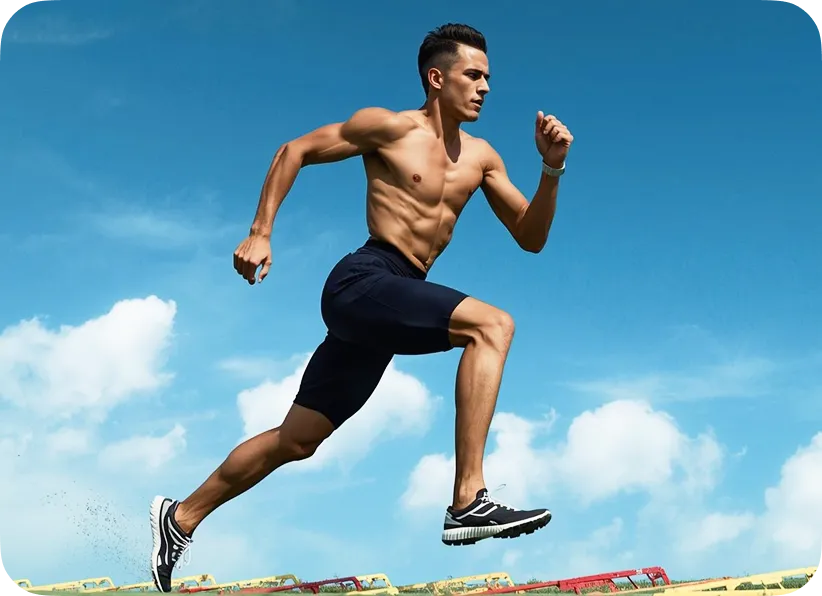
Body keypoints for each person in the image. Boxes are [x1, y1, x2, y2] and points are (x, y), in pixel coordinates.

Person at [149, 22, 573, 592]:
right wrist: (261, 231)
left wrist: (551, 170)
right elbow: (294, 149)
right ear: (436, 77)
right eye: (473, 75)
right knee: (492, 326)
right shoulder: (389, 127)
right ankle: (468, 499)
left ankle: (179, 518)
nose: (485, 88)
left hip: (392, 307)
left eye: (488, 78)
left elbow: (531, 235)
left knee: (297, 439)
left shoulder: (483, 158)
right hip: (365, 279)